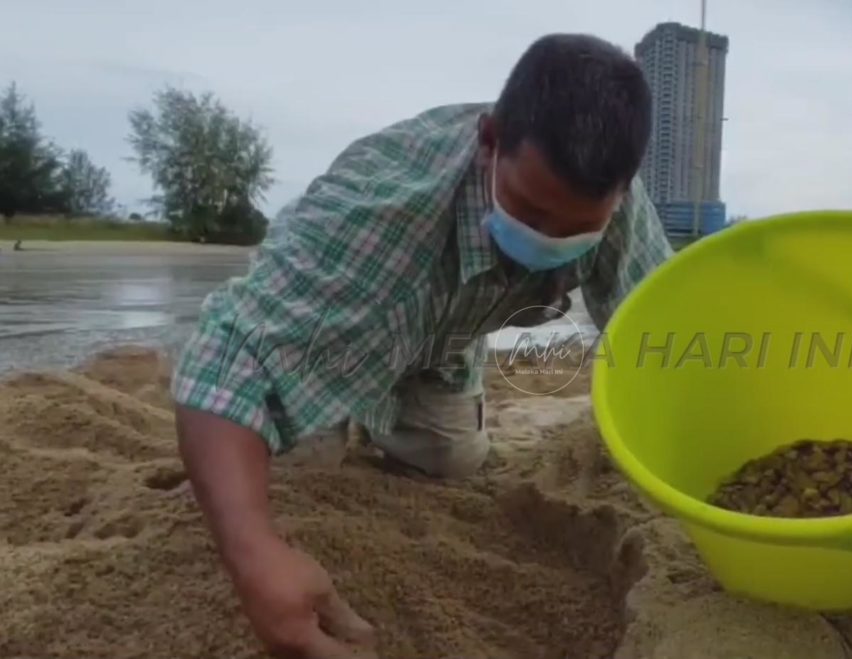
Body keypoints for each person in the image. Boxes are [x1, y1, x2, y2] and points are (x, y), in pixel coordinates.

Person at [170, 33, 672, 659]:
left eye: (577, 229)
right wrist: (254, 556)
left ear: (620, 193)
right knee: (296, 471)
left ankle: (396, 408)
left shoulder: (615, 201)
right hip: (335, 330)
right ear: (489, 142)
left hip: (446, 340)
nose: (548, 240)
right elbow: (224, 359)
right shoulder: (379, 211)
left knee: (452, 461)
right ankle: (341, 410)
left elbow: (665, 337)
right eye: (530, 211)